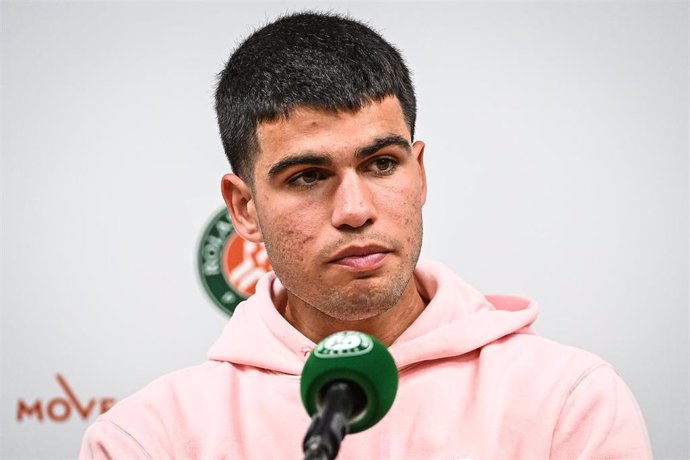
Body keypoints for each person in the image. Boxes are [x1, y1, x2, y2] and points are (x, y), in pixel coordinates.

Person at [80, 12, 652, 459]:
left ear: (420, 174)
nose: (354, 211)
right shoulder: (148, 439)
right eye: (308, 176)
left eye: (381, 164)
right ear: (244, 209)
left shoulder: (570, 401)